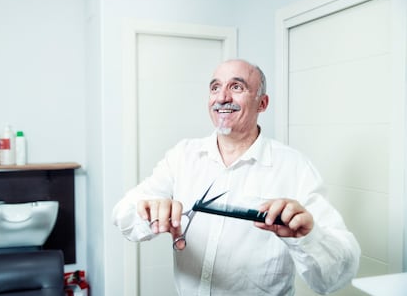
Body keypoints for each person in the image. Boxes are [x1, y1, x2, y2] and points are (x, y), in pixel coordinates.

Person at [112, 59, 361, 295]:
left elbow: (334, 278)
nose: (222, 97)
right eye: (215, 87)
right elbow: (123, 216)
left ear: (262, 103)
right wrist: (149, 212)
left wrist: (308, 237)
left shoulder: (294, 167)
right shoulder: (183, 156)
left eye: (236, 86)